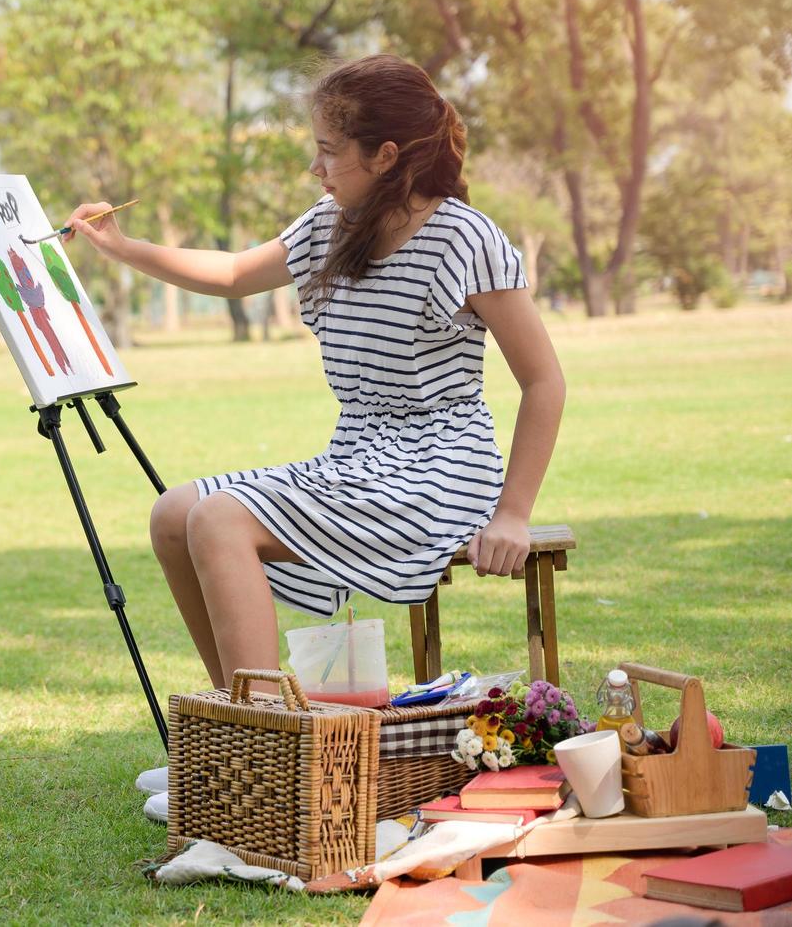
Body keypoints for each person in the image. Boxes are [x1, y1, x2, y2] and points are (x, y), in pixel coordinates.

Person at [61, 54, 565, 801]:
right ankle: (245, 732)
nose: (315, 165)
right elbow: (233, 273)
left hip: (439, 469)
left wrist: (512, 513)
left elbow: (543, 381)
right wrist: (120, 248)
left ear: (383, 155)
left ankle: (265, 764)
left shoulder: (465, 238)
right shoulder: (332, 224)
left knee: (223, 517)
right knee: (175, 512)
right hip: (358, 455)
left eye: (328, 150)